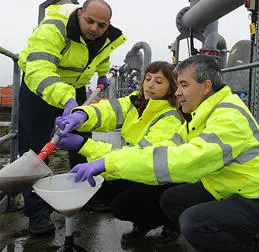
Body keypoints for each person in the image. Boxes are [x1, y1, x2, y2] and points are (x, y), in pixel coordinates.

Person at [66, 55, 259, 251]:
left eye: (183, 84)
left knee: (194, 223)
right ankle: (220, 234)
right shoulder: (201, 114)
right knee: (172, 201)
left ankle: (248, 248)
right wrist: (85, 122)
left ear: (206, 87)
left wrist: (105, 161)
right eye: (177, 85)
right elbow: (163, 150)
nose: (179, 92)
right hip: (226, 185)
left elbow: (186, 161)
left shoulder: (228, 117)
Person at [17, 0, 126, 235]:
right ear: (79, 14)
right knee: (36, 149)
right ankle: (37, 213)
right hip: (40, 89)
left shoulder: (105, 35)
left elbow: (101, 54)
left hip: (74, 89)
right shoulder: (53, 28)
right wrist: (67, 99)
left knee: (82, 142)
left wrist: (102, 74)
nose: (95, 28)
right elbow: (40, 70)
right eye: (89, 21)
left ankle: (84, 195)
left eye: (101, 24)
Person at [56, 61, 183, 246]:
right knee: (101, 190)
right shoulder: (137, 102)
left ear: (171, 88)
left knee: (122, 206)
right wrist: (80, 116)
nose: (150, 85)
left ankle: (171, 222)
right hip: (137, 169)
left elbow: (139, 156)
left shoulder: (169, 118)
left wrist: (84, 145)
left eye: (158, 81)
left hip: (159, 177)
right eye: (148, 79)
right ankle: (144, 221)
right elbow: (106, 111)